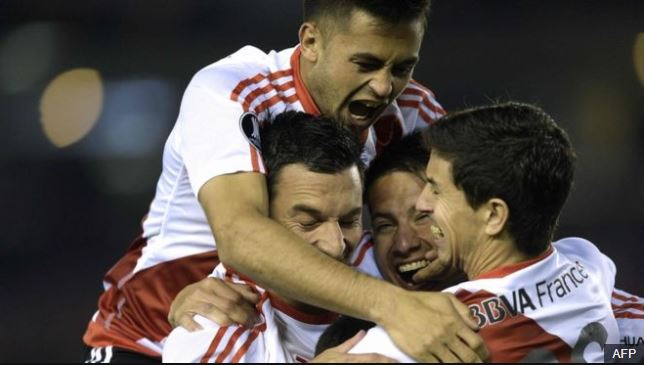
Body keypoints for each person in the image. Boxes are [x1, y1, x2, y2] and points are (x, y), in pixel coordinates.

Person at [83, 1, 487, 362]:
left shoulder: (410, 114)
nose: (385, 87)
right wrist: (396, 308)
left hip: (296, 340)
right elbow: (241, 235)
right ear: (311, 41)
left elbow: (483, 227)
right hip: (152, 340)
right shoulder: (231, 94)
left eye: (402, 67)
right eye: (365, 64)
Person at [345, 102, 621, 362]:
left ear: (493, 215)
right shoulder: (585, 260)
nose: (423, 202)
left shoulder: (431, 334)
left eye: (436, 189)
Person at [163, 111, 394, 363]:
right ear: (263, 218)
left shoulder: (390, 261)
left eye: (349, 221)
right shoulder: (215, 325)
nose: (335, 245)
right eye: (309, 223)